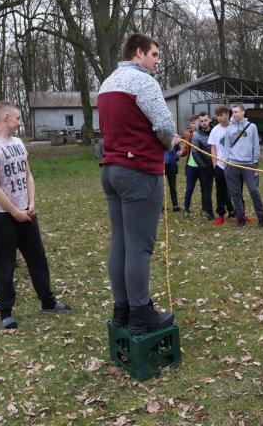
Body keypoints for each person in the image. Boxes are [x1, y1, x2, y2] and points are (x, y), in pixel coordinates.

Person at [97, 33, 178, 335]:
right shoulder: (144, 82)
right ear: (139, 52)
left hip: (111, 170)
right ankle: (141, 313)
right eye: (155, 54)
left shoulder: (107, 83)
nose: (157, 61)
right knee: (140, 248)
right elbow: (165, 125)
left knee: (120, 241)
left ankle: (123, 309)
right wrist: (170, 144)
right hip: (138, 171)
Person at [0, 101, 71, 332]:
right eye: (18, 118)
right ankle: (6, 313)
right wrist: (15, 212)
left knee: (38, 258)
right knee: (5, 265)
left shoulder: (19, 143)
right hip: (3, 218)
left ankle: (48, 302)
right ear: (5, 119)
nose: (20, 123)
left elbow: (28, 176)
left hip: (27, 214)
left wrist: (30, 204)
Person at [224, 104, 263, 229]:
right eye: (233, 112)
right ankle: (240, 217)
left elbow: (256, 146)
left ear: (243, 112)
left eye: (237, 112)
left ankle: (261, 218)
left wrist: (255, 162)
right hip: (232, 165)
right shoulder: (229, 128)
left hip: (248, 165)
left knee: (254, 190)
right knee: (235, 193)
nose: (234, 114)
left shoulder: (252, 127)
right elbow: (227, 147)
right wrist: (227, 161)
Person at [183, 112, 215, 220]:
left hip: (205, 167)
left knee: (205, 189)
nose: (203, 123)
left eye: (205, 120)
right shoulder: (192, 134)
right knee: (189, 189)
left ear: (209, 120)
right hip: (193, 166)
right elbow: (190, 150)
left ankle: (205, 209)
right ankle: (186, 208)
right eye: (200, 121)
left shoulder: (213, 132)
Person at [208, 106, 235, 224]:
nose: (219, 118)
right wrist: (215, 164)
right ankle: (220, 214)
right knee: (220, 190)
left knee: (235, 190)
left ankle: (238, 213)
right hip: (220, 165)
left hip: (234, 164)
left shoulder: (235, 127)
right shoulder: (215, 130)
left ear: (227, 114)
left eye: (221, 115)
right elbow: (213, 148)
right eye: (217, 115)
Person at [163, 142, 182, 212]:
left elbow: (179, 151)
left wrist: (176, 157)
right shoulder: (160, 137)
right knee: (160, 187)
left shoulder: (174, 139)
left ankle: (175, 205)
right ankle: (160, 206)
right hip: (161, 166)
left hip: (171, 166)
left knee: (173, 187)